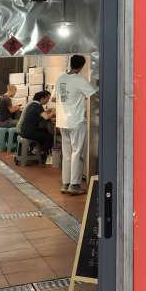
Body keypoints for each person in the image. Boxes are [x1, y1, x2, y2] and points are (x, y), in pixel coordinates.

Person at [55, 55, 97, 195]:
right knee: (77, 153)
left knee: (67, 154)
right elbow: (94, 95)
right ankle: (74, 185)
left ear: (71, 63)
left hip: (62, 121)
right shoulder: (79, 79)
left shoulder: (60, 78)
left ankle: (65, 183)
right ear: (81, 67)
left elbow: (55, 98)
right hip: (76, 121)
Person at [17, 90, 55, 164]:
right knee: (49, 137)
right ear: (42, 98)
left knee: (44, 131)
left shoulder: (32, 104)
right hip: (27, 132)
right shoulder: (37, 106)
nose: (48, 101)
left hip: (23, 130)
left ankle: (37, 150)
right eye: (47, 98)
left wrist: (47, 111)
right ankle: (42, 154)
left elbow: (41, 115)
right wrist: (53, 112)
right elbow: (46, 117)